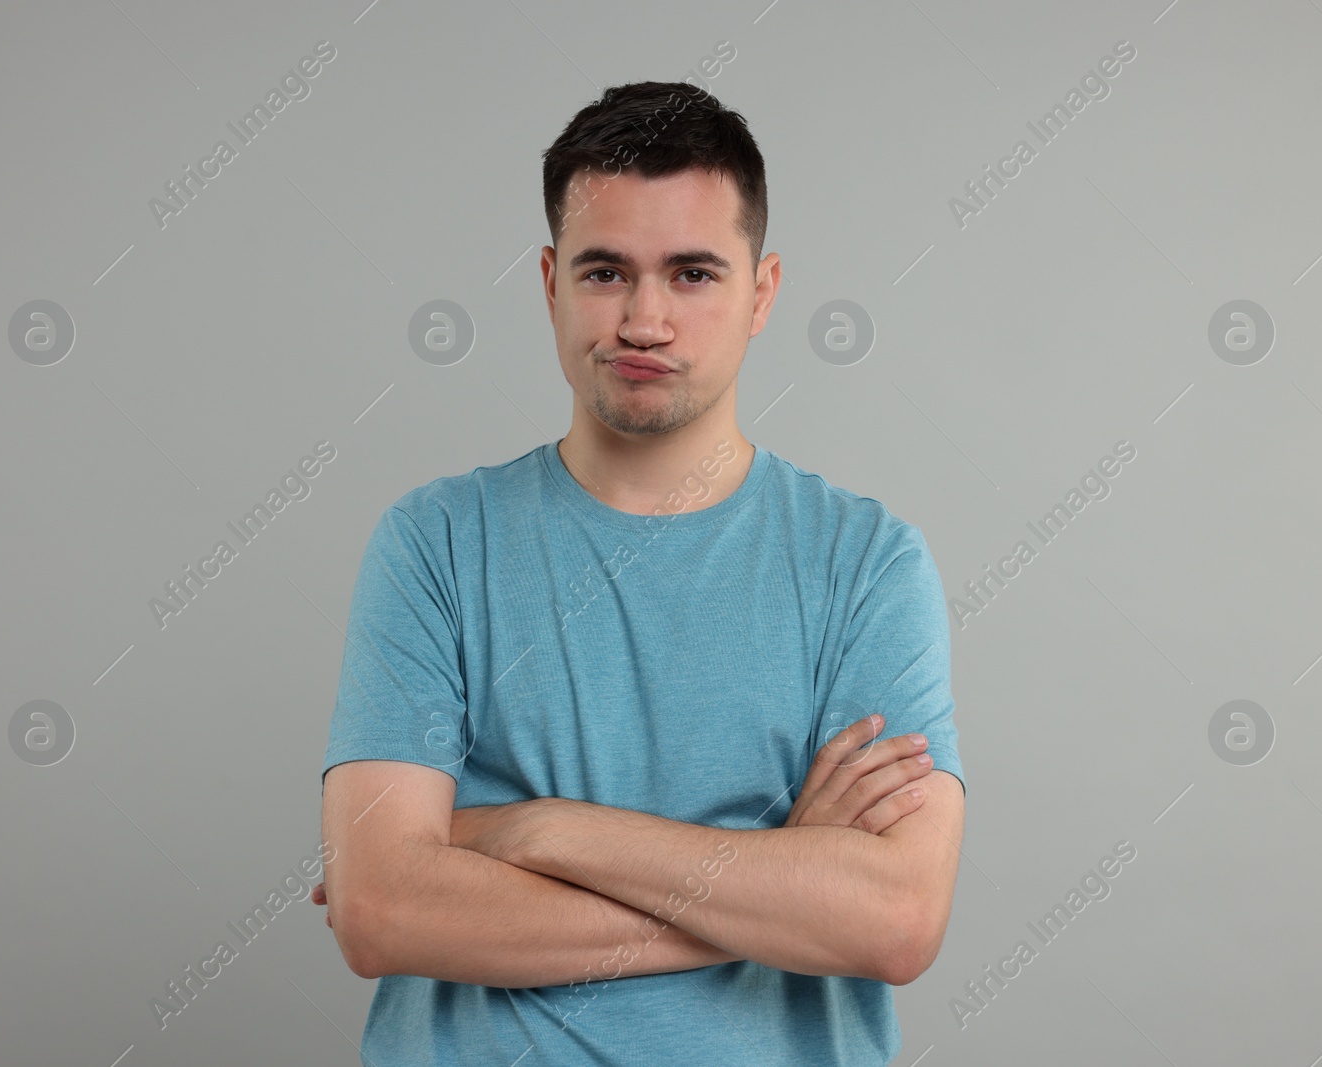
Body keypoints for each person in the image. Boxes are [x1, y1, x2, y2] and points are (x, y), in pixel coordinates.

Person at [314, 79, 966, 1065]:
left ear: (763, 289)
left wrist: (531, 828)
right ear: (549, 282)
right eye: (606, 272)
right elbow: (381, 908)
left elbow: (893, 918)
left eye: (693, 273)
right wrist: (775, 885)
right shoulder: (436, 541)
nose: (645, 320)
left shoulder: (865, 563)